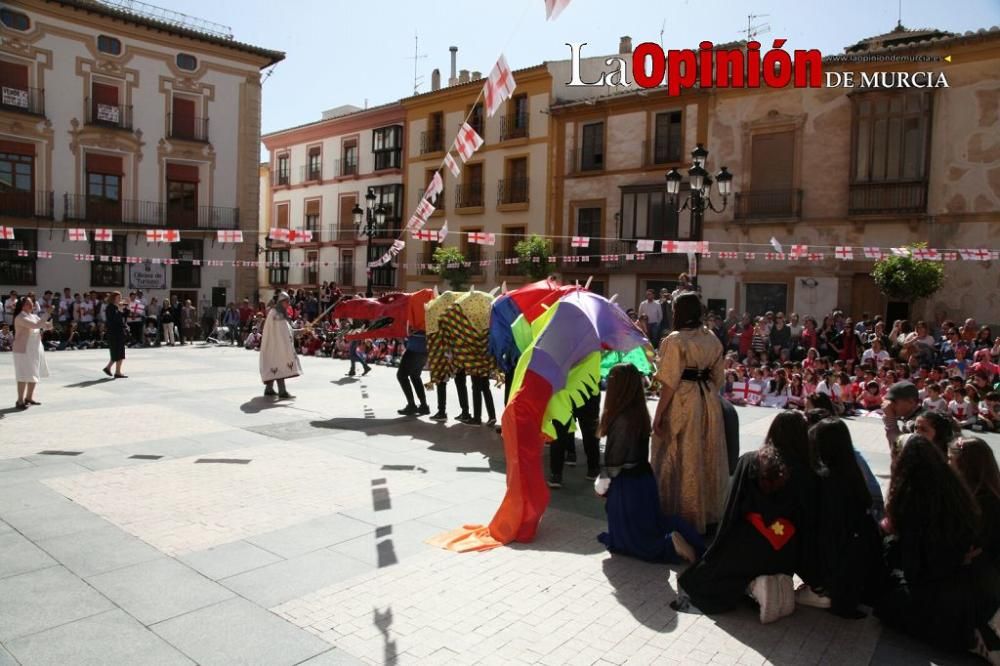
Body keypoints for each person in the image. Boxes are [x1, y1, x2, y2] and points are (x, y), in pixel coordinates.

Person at [675, 412, 815, 624]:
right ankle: (768, 582)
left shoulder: (752, 461)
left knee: (697, 580)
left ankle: (753, 586)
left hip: (748, 547)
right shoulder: (809, 472)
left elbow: (732, 510)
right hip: (787, 550)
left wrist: (717, 550)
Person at [875, 435, 1000, 662]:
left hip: (957, 587)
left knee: (888, 602)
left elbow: (919, 570)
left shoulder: (926, 499)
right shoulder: (959, 493)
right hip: (972, 582)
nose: (949, 463)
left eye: (953, 459)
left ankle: (974, 637)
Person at [596, 364, 705, 563]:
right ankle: (679, 535)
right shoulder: (639, 413)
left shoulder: (620, 419)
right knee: (650, 525)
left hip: (626, 489)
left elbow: (613, 464)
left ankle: (670, 544)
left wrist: (601, 486)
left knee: (633, 544)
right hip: (644, 481)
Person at [651, 292, 726, 534]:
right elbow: (719, 378)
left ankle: (680, 514)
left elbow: (669, 382)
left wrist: (659, 414)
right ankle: (709, 513)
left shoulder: (675, 340)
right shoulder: (711, 338)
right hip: (709, 402)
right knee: (706, 453)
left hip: (684, 401)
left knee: (677, 452)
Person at [798, 418, 883, 617]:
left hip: (836, 572)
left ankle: (822, 591)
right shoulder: (852, 470)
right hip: (860, 564)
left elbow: (826, 533)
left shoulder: (827, 478)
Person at [949, 437, 1000, 568]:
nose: (947, 463)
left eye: (950, 459)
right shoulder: (963, 491)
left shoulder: (984, 500)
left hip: (977, 572)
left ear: (965, 464)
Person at [548, 393, 600, 488]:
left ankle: (556, 474)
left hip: (564, 392)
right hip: (587, 387)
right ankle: (593, 468)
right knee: (590, 430)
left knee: (560, 430)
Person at [259, 292, 301, 399]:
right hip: (276, 346)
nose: (288, 304)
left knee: (274, 366)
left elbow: (286, 330)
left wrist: (299, 331)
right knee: (279, 365)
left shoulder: (277, 313)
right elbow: (282, 332)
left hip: (276, 345)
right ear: (281, 302)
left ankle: (269, 389)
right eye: (287, 302)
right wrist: (296, 332)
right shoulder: (276, 314)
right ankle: (282, 391)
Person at [12, 296, 52, 409]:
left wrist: (49, 325)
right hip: (23, 349)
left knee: (34, 372)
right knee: (23, 374)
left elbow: (42, 325)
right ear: (22, 305)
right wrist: (47, 314)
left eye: (32, 303)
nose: (31, 305)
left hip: (35, 347)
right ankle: (20, 400)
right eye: (28, 303)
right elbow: (35, 325)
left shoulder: (33, 316)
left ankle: (29, 397)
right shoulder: (20, 317)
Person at [882, 381, 924, 456]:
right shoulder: (917, 415)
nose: (890, 405)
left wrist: (890, 421)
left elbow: (899, 452)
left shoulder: (918, 423)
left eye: (893, 401)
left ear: (911, 402)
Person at [396, 330, 430, 416]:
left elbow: (413, 331)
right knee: (415, 376)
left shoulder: (416, 319)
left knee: (401, 376)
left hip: (414, 350)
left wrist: (408, 333)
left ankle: (412, 405)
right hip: (423, 351)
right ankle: (423, 405)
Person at [102, 292, 128, 378]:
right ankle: (117, 372)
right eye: (118, 298)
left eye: (120, 297)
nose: (120, 299)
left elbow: (126, 315)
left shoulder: (117, 307)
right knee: (118, 352)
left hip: (118, 332)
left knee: (117, 352)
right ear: (113, 298)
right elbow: (113, 320)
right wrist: (120, 311)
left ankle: (109, 368)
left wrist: (126, 307)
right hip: (114, 332)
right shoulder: (110, 307)